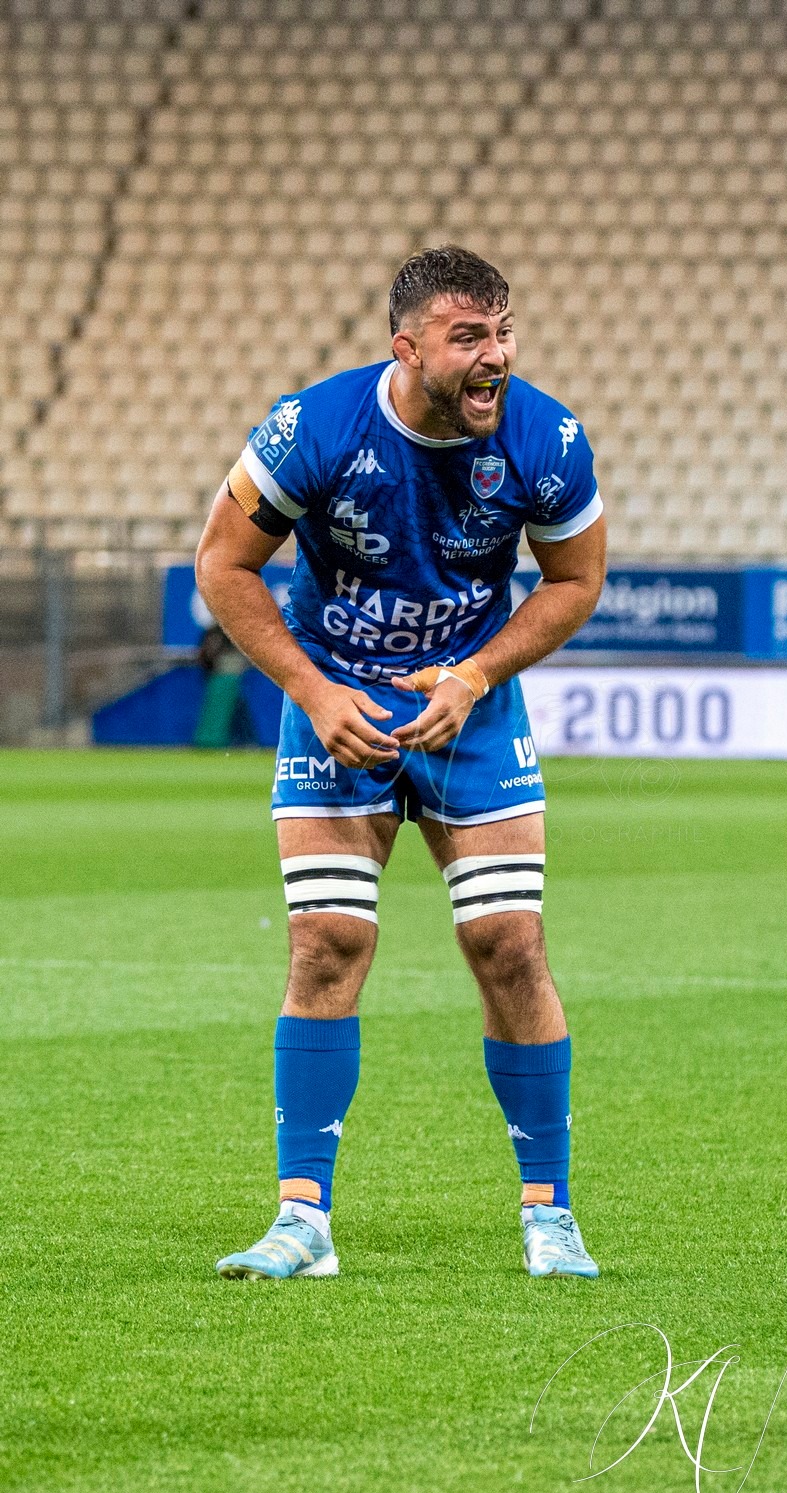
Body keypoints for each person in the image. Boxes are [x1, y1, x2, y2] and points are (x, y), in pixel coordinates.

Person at [195, 246, 606, 1281]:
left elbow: (573, 580)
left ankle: (549, 1214)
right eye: (469, 337)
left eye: (504, 332)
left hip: (469, 707)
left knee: (508, 942)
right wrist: (314, 693)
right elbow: (224, 562)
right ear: (407, 346)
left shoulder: (546, 439)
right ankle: (302, 1221)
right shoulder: (313, 429)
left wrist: (471, 676)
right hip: (337, 700)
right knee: (327, 941)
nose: (495, 356)